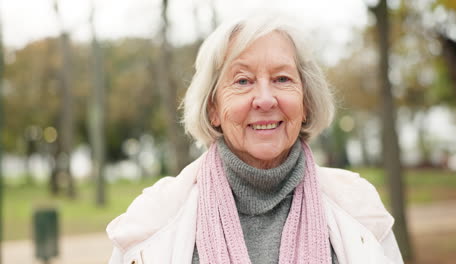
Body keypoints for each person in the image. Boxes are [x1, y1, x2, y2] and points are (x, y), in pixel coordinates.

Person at [106, 14, 404, 264]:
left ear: (306, 103)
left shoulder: (359, 209)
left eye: (282, 79)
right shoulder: (152, 221)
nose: (264, 99)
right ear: (213, 110)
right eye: (243, 81)